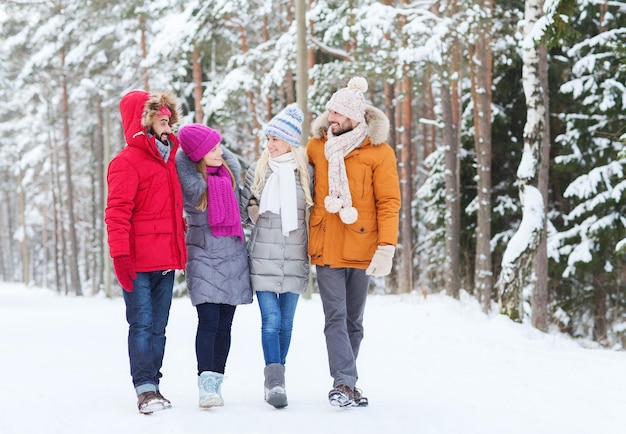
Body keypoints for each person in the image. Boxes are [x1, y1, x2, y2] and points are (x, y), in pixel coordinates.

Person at [306, 77, 401, 407]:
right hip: (327, 243)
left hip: (364, 246)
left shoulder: (379, 152)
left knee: (353, 323)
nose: (331, 117)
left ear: (354, 118)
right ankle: (344, 383)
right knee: (335, 318)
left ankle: (347, 382)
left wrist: (387, 246)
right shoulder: (317, 147)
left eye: (338, 113)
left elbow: (388, 201)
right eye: (330, 111)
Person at [105, 90, 187, 414]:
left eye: (169, 118)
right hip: (138, 261)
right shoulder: (125, 163)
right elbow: (117, 212)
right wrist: (120, 256)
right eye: (160, 118)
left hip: (165, 258)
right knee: (141, 323)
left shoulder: (170, 159)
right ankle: (145, 389)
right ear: (143, 121)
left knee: (159, 326)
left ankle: (154, 382)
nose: (167, 123)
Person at [240, 104, 313, 408]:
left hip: (295, 257)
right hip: (263, 258)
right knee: (270, 320)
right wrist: (252, 210)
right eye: (268, 139)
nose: (270, 145)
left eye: (276, 140)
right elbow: (242, 213)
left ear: (290, 142)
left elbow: (315, 213)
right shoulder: (257, 171)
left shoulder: (306, 174)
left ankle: (275, 376)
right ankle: (276, 383)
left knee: (287, 323)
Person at [176, 124, 253, 409]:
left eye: (219, 146)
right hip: (204, 257)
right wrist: (190, 151)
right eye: (211, 149)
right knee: (208, 322)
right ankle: (205, 386)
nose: (219, 152)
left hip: (233, 257)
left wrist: (216, 148)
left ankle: (217, 382)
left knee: (225, 325)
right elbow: (184, 161)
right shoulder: (192, 186)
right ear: (197, 155)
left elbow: (245, 212)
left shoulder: (229, 176)